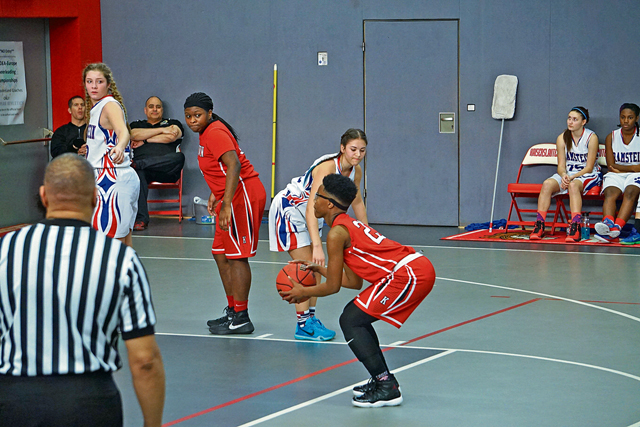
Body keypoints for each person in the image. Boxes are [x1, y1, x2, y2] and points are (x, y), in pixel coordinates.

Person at [0, 154, 165, 427]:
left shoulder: (6, 250)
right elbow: (145, 359)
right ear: (95, 198)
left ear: (43, 196)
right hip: (88, 402)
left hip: (15, 399)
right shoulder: (119, 259)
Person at [281, 174, 435, 407]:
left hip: (409, 274)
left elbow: (333, 288)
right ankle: (382, 380)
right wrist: (320, 270)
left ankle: (386, 386)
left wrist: (303, 292)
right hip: (413, 268)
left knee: (351, 320)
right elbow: (353, 282)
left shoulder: (336, 234)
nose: (313, 201)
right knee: (355, 317)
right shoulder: (346, 226)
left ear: (330, 203)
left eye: (317, 197)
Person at [269, 129, 368, 341]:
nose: (357, 154)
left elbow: (357, 201)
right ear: (342, 148)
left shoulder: (356, 171)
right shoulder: (327, 168)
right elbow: (309, 208)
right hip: (290, 211)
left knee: (313, 270)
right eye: (353, 149)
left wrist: (366, 234)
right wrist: (316, 245)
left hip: (315, 214)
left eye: (362, 150)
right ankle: (303, 325)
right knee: (306, 267)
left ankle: (310, 319)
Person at [184, 92, 266, 335]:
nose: (192, 121)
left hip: (244, 196)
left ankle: (242, 317)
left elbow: (234, 165)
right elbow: (217, 168)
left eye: (197, 115)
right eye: (188, 116)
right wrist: (215, 193)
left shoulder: (216, 132)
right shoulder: (206, 133)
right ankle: (232, 311)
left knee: (237, 256)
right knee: (220, 254)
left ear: (209, 113)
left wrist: (227, 203)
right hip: (229, 195)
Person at [83, 62, 139, 247]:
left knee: (111, 242)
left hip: (112, 179)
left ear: (108, 84)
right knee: (122, 241)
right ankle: (127, 275)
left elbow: (123, 132)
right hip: (109, 176)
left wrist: (120, 146)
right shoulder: (96, 108)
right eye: (89, 81)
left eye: (99, 81)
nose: (93, 85)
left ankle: (113, 276)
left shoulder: (108, 105)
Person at [530, 107, 601, 242]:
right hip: (568, 174)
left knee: (573, 186)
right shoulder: (562, 137)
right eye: (569, 118)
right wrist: (564, 175)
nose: (570, 122)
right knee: (546, 185)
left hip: (588, 174)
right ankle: (539, 225)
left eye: (575, 119)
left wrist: (570, 178)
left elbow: (589, 167)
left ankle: (575, 227)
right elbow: (561, 166)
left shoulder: (591, 138)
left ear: (583, 122)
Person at [130, 96, 186, 230]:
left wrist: (145, 140)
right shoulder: (136, 125)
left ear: (162, 109)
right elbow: (133, 135)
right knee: (139, 173)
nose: (154, 109)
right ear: (145, 110)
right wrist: (162, 130)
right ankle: (141, 220)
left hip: (167, 170)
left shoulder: (173, 123)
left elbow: (171, 136)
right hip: (144, 172)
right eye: (151, 106)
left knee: (179, 157)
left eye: (158, 106)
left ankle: (141, 163)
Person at [595, 103, 640, 243]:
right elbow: (610, 165)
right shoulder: (611, 137)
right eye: (623, 117)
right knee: (610, 193)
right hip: (616, 174)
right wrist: (633, 167)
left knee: (631, 192)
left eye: (630, 117)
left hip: (635, 176)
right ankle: (608, 225)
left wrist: (627, 169)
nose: (626, 121)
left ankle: (617, 228)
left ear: (637, 118)